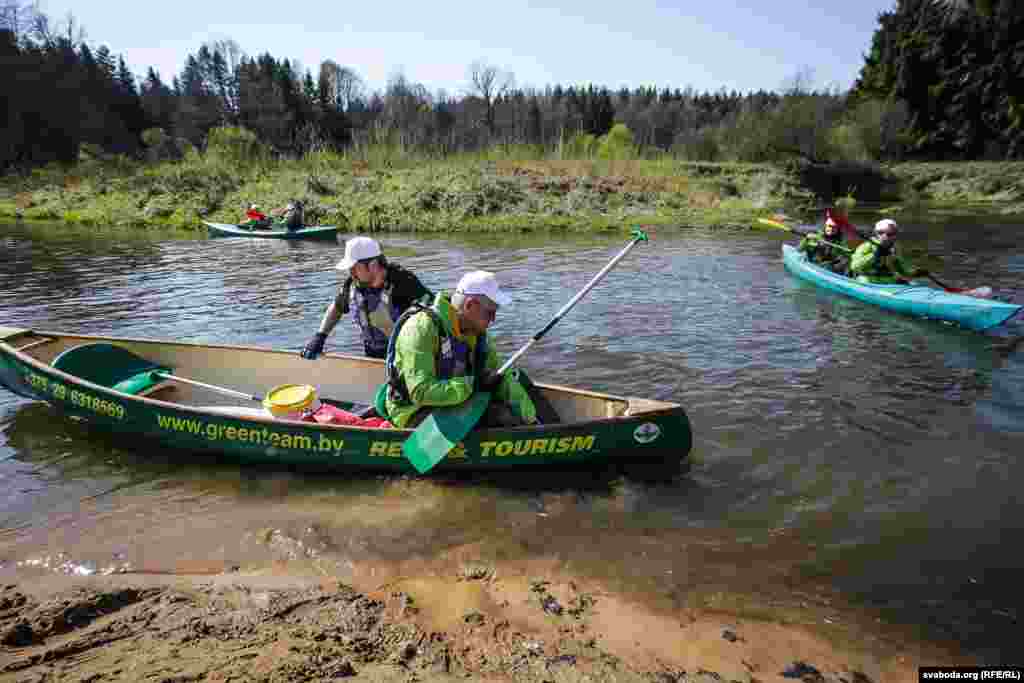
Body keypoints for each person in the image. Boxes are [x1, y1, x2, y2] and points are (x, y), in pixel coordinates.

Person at [378, 270, 539, 429]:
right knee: (497, 416)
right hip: (412, 409)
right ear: (469, 305)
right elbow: (420, 392)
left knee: (508, 403)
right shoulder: (421, 328)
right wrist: (472, 385)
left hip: (456, 399)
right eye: (490, 313)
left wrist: (530, 419)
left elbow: (502, 376)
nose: (493, 319)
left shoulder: (478, 333)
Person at [301, 236, 433, 360]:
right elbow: (337, 307)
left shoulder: (403, 282)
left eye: (354, 268)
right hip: (373, 357)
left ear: (373, 265)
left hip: (407, 358)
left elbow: (434, 312)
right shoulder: (353, 285)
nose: (351, 273)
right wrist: (320, 336)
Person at [849, 219, 928, 284]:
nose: (891, 237)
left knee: (913, 283)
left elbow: (902, 268)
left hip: (889, 279)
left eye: (893, 234)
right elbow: (854, 267)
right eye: (889, 234)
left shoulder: (895, 248)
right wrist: (875, 254)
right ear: (878, 234)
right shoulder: (866, 246)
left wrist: (915, 273)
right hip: (868, 279)